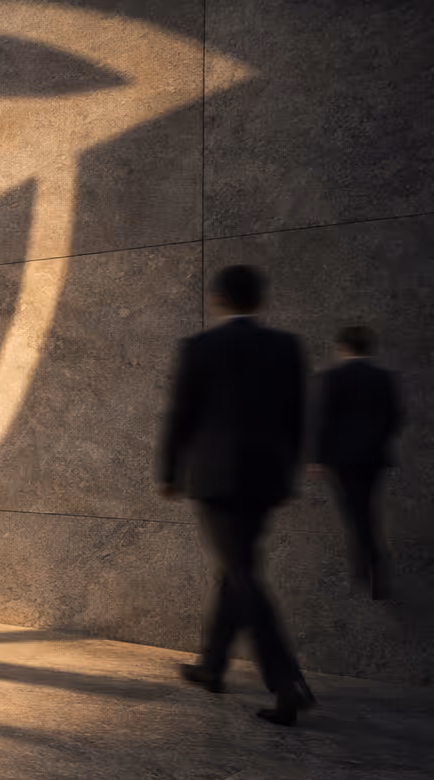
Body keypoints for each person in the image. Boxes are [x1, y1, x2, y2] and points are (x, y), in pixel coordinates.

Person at [158, 265, 315, 726]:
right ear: (260, 301)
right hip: (265, 479)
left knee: (243, 575)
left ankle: (287, 682)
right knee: (236, 568)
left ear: (219, 299)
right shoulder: (286, 346)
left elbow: (181, 414)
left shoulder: (201, 347)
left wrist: (168, 472)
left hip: (215, 478)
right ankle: (211, 666)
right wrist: (287, 476)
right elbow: (296, 418)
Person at [310, 325, 403, 600]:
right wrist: (376, 441)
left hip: (343, 459)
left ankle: (371, 562)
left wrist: (318, 458)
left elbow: (322, 420)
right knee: (364, 508)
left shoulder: (332, 377)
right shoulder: (384, 378)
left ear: (343, 348)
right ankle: (364, 563)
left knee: (356, 512)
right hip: (374, 456)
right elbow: (394, 418)